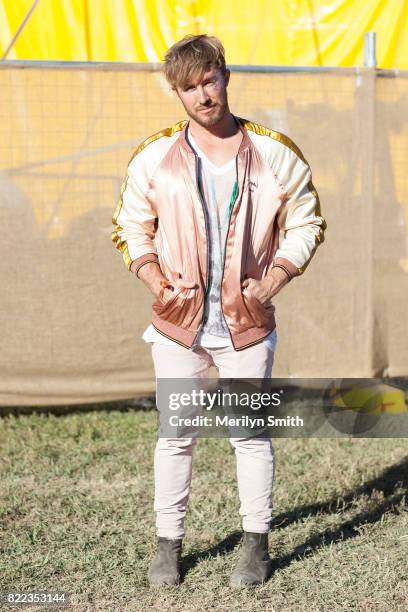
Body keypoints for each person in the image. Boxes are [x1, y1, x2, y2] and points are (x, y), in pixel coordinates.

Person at [111, 34, 326, 587]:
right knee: (175, 434)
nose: (203, 96)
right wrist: (153, 277)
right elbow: (131, 226)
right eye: (189, 88)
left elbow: (307, 221)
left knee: (249, 434)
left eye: (209, 80)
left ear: (225, 77)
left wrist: (272, 279)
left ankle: (255, 544)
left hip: (246, 326)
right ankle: (168, 546)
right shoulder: (155, 155)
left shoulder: (275, 151)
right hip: (177, 328)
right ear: (177, 94)